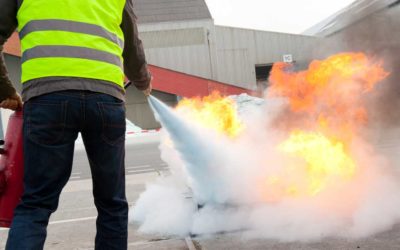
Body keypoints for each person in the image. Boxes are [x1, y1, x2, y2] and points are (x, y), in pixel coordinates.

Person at [0, 0, 152, 249]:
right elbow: (133, 47)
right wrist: (143, 81)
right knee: (112, 203)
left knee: (36, 203)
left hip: (47, 98)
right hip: (106, 100)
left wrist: (4, 89)